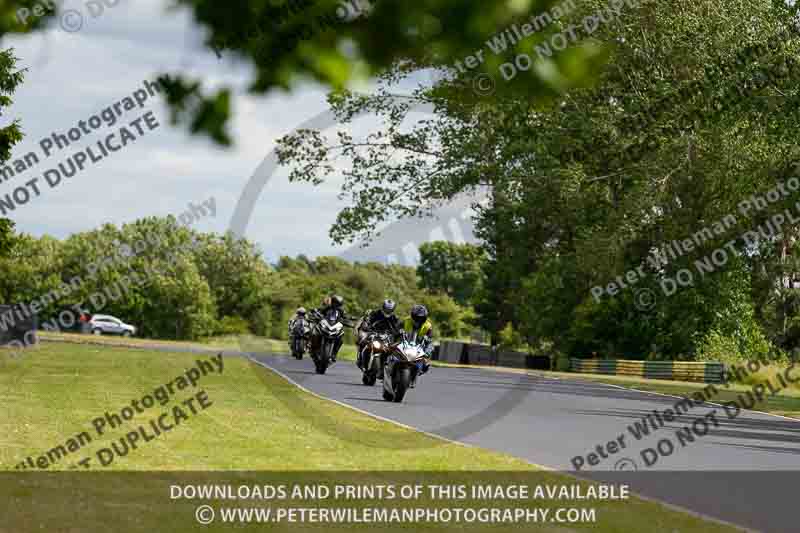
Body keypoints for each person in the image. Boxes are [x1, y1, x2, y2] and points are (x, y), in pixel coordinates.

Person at [356, 299, 401, 369]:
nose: (387, 311)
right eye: (386, 309)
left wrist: (399, 332)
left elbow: (398, 327)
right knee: (363, 341)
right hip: (373, 333)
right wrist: (366, 325)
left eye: (389, 310)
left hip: (386, 337)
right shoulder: (375, 313)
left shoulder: (395, 318)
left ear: (393, 310)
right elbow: (368, 320)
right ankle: (360, 359)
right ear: (383, 308)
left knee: (392, 349)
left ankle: (386, 365)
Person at [403, 304, 433, 387]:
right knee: (389, 349)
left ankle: (416, 373)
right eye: (416, 317)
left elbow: (430, 339)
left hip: (420, 345)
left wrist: (428, 341)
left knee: (427, 355)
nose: (418, 320)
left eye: (421, 318)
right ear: (412, 316)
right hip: (405, 342)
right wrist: (398, 332)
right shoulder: (406, 321)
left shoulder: (428, 326)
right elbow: (396, 329)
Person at [309, 295, 346, 361]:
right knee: (315, 333)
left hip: (335, 326)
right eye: (335, 303)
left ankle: (334, 354)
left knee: (340, 338)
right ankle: (313, 347)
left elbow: (345, 316)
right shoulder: (327, 308)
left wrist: (349, 320)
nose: (336, 305)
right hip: (325, 324)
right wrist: (315, 313)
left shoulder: (341, 311)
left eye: (338, 304)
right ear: (332, 302)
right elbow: (320, 311)